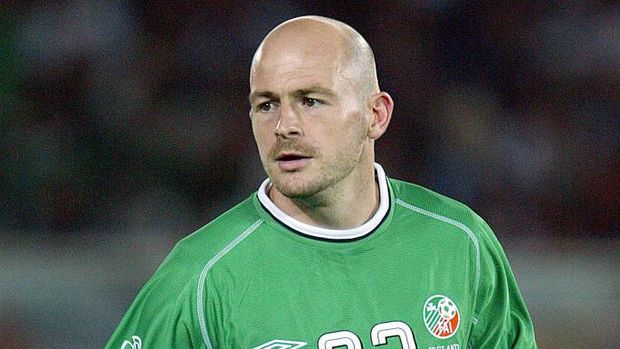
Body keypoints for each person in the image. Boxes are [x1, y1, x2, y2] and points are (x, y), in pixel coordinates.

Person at [106, 16, 537, 349]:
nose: (284, 126)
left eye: (310, 101)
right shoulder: (203, 276)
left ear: (376, 115)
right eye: (267, 104)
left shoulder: (460, 242)